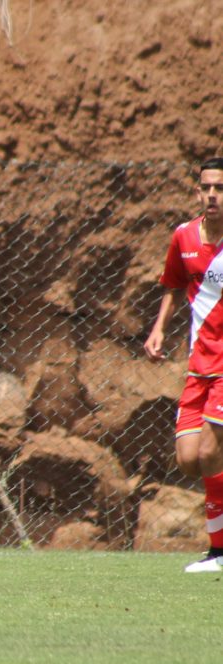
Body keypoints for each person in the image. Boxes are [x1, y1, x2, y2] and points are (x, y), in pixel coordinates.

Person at [144, 157, 223, 573]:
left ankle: (219, 551)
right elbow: (173, 285)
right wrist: (158, 329)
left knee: (212, 453)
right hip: (198, 366)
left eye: (220, 188)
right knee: (189, 458)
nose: (213, 194)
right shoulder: (184, 236)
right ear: (197, 192)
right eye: (206, 187)